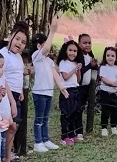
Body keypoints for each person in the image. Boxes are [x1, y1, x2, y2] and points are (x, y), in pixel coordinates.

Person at [32, 17, 69, 152]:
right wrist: (52, 32)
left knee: (45, 118)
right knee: (39, 118)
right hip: (39, 93)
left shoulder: (49, 61)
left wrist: (62, 88)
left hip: (48, 93)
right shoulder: (36, 56)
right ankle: (38, 142)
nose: (48, 48)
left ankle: (45, 140)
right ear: (39, 46)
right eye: (45, 44)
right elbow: (46, 48)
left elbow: (55, 75)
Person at [0, 22, 27, 162]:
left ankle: (7, 157)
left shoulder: (19, 57)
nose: (19, 43)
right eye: (17, 39)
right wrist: (11, 100)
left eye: (23, 42)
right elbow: (2, 77)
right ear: (10, 37)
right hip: (6, 95)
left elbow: (18, 75)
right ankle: (3, 158)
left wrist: (21, 91)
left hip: (16, 95)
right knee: (8, 126)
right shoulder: (3, 54)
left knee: (13, 127)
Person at [57, 40, 84, 145]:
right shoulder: (63, 62)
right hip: (66, 91)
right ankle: (64, 136)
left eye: (75, 51)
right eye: (70, 50)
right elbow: (65, 77)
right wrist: (74, 69)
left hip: (75, 90)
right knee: (66, 114)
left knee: (74, 114)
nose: (72, 53)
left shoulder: (75, 63)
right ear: (66, 51)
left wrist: (78, 70)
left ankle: (72, 134)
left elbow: (78, 80)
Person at [98, 46, 117, 137]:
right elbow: (103, 79)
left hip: (115, 94)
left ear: (116, 58)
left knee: (114, 111)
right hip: (105, 93)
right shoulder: (103, 67)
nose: (110, 57)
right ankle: (104, 128)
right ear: (105, 56)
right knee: (105, 111)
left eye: (112, 56)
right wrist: (113, 83)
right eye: (108, 55)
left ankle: (113, 127)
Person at [78, 33, 98, 136]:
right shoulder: (79, 56)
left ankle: (88, 129)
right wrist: (90, 65)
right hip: (80, 87)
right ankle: (78, 130)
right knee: (79, 109)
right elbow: (81, 71)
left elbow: (94, 69)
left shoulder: (90, 56)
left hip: (89, 87)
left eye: (89, 43)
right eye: (84, 43)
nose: (87, 45)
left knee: (89, 107)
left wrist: (95, 65)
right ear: (79, 44)